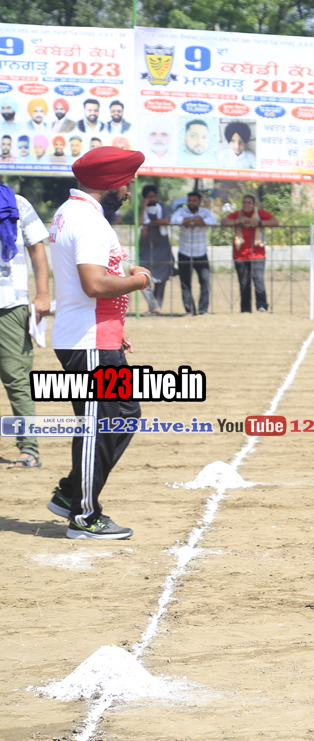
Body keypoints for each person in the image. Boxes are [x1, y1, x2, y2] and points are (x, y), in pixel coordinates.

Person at [44, 147, 151, 540]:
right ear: (109, 184)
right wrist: (139, 281)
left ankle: (70, 493)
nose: (129, 190)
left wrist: (115, 325)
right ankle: (84, 517)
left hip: (96, 334)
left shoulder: (73, 212)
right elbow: (94, 284)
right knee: (99, 425)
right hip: (87, 341)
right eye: (125, 183)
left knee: (123, 414)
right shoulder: (88, 220)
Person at [0, 183, 51, 468]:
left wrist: (43, 294)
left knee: (16, 378)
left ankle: (29, 449)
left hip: (10, 303)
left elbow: (38, 251)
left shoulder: (16, 203)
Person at [221, 194, 278, 312]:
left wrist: (259, 223)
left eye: (249, 203)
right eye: (244, 202)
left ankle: (262, 305)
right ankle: (245, 309)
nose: (246, 205)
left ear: (254, 205)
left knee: (258, 279)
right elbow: (224, 222)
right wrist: (239, 221)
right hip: (240, 254)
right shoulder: (237, 214)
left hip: (258, 253)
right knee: (244, 283)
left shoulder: (260, 213)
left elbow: (275, 222)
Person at [170, 191, 218, 315]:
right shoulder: (181, 211)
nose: (191, 203)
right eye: (190, 200)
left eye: (194, 201)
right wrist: (195, 220)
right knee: (185, 283)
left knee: (205, 281)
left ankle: (203, 310)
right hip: (184, 252)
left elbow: (213, 221)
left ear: (199, 202)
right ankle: (189, 310)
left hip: (201, 253)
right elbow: (174, 220)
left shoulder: (205, 212)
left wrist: (189, 221)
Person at [137, 185, 175, 314]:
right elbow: (139, 222)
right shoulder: (141, 209)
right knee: (142, 275)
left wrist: (150, 224)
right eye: (149, 197)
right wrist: (143, 207)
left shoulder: (162, 207)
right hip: (145, 248)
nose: (152, 199)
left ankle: (156, 308)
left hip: (162, 247)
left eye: (154, 196)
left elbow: (166, 220)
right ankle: (153, 305)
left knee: (162, 277)